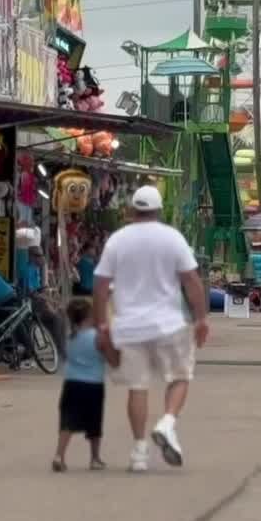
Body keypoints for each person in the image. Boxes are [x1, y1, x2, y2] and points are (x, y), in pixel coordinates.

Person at [93, 185, 210, 472]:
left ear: (133, 210)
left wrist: (102, 325)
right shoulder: (172, 239)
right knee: (181, 376)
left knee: (137, 387)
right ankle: (167, 422)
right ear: (159, 210)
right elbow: (191, 281)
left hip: (129, 327)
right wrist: (201, 318)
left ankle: (139, 452)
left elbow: (100, 286)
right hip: (168, 325)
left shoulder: (117, 241)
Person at [53, 298, 109, 473]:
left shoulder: (71, 337)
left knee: (67, 422)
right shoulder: (97, 337)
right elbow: (108, 357)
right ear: (89, 316)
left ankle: (59, 455)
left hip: (71, 384)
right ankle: (95, 458)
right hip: (93, 385)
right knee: (94, 422)